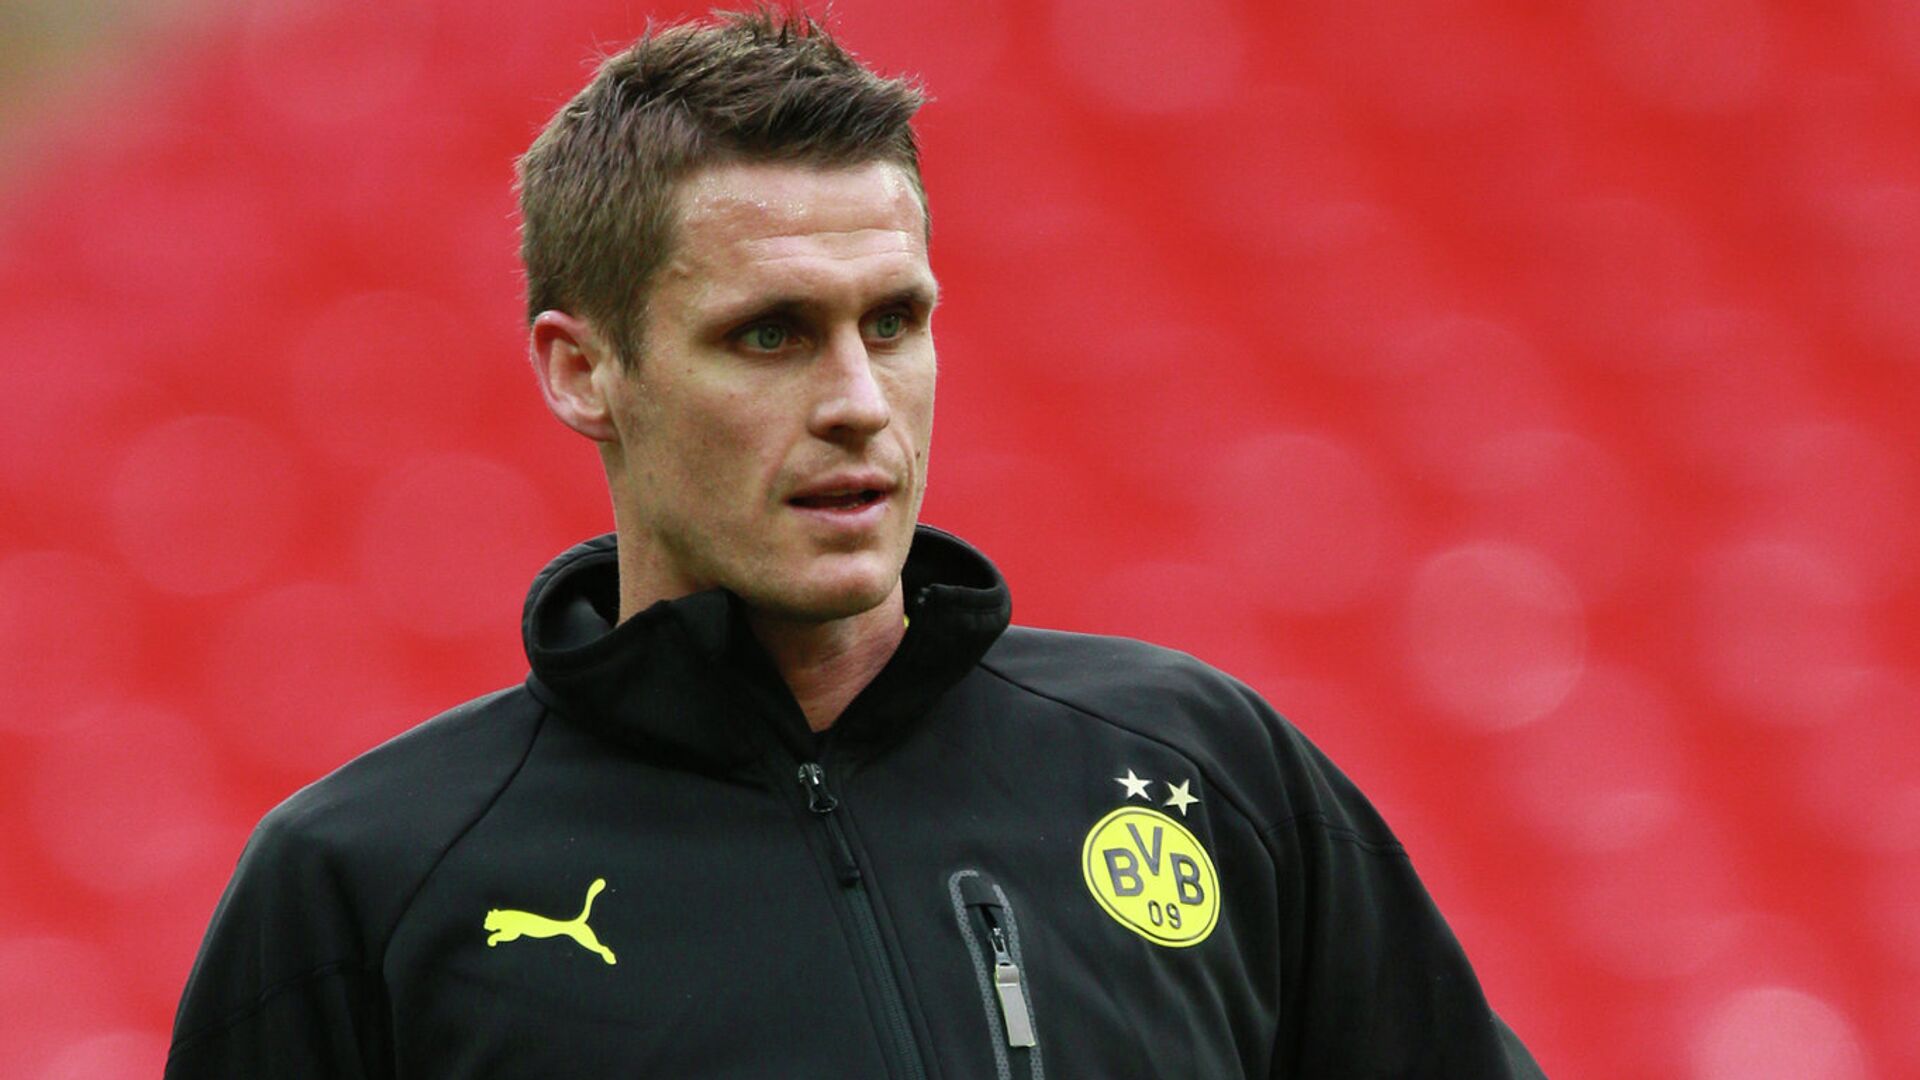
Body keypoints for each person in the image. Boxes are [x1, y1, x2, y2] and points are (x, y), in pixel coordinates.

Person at [166, 8, 1546, 1078]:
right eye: (770, 334)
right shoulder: (368, 887)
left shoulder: (1200, 766)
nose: (857, 402)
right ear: (584, 372)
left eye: (893, 322)